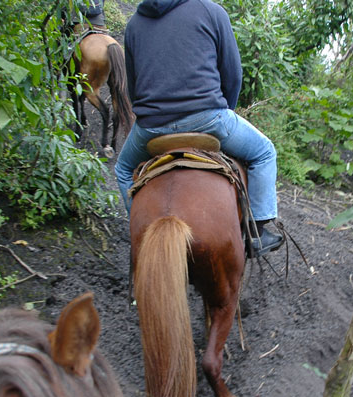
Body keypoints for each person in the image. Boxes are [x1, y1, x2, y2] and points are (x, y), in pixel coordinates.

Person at [115, 0, 284, 257]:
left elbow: (133, 89)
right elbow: (233, 74)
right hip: (208, 119)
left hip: (151, 126)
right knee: (264, 152)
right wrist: (224, 110)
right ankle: (258, 231)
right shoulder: (211, 11)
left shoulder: (135, 24)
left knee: (123, 169)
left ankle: (140, 234)